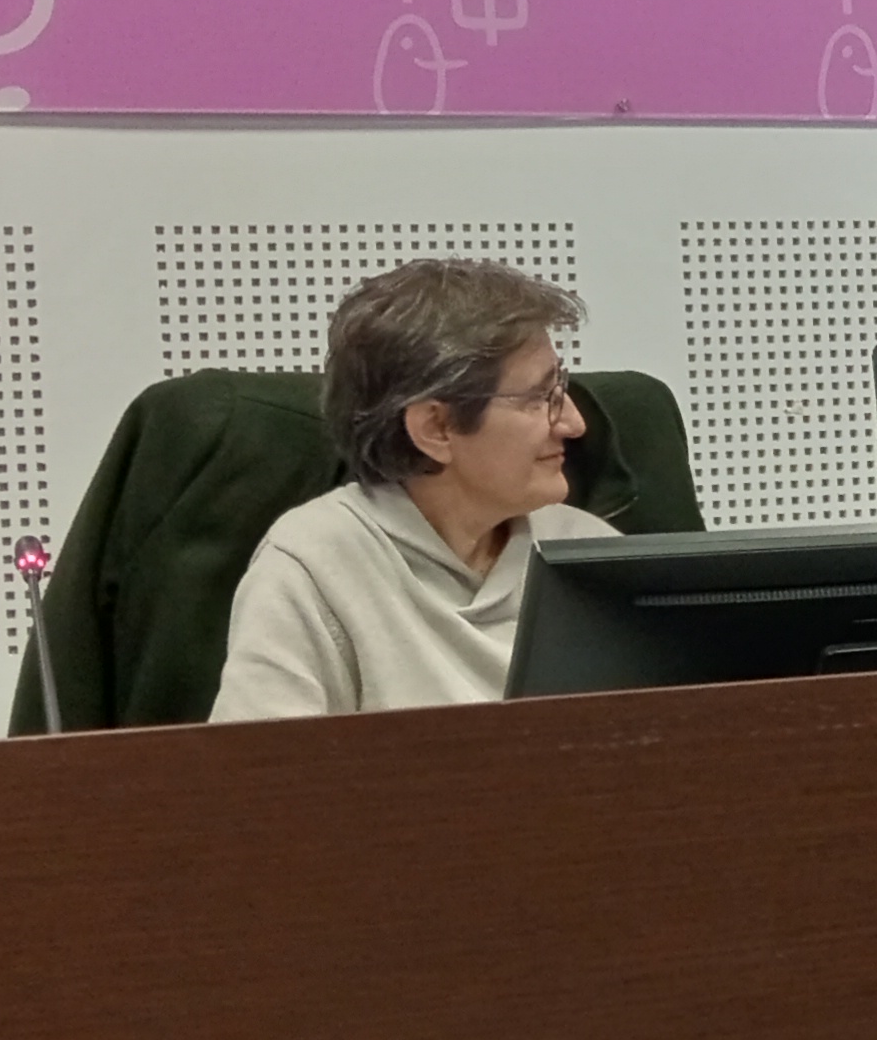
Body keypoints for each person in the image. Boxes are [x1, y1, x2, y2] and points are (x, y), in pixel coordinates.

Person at [210, 259, 614, 718]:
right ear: (435, 428)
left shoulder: (586, 551)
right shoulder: (314, 564)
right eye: (540, 398)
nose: (574, 423)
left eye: (560, 389)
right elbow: (260, 760)